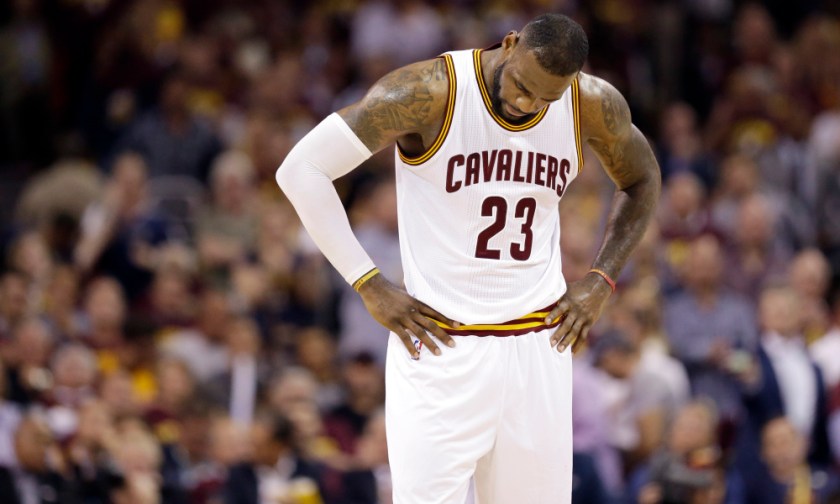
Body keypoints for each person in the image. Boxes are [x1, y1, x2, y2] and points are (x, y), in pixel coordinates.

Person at [276, 13, 660, 503]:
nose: (527, 104)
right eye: (523, 85)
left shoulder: (591, 103)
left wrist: (600, 279)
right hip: (441, 344)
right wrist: (367, 282)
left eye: (547, 98)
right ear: (510, 43)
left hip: (538, 346)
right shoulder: (428, 91)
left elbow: (642, 178)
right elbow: (302, 170)